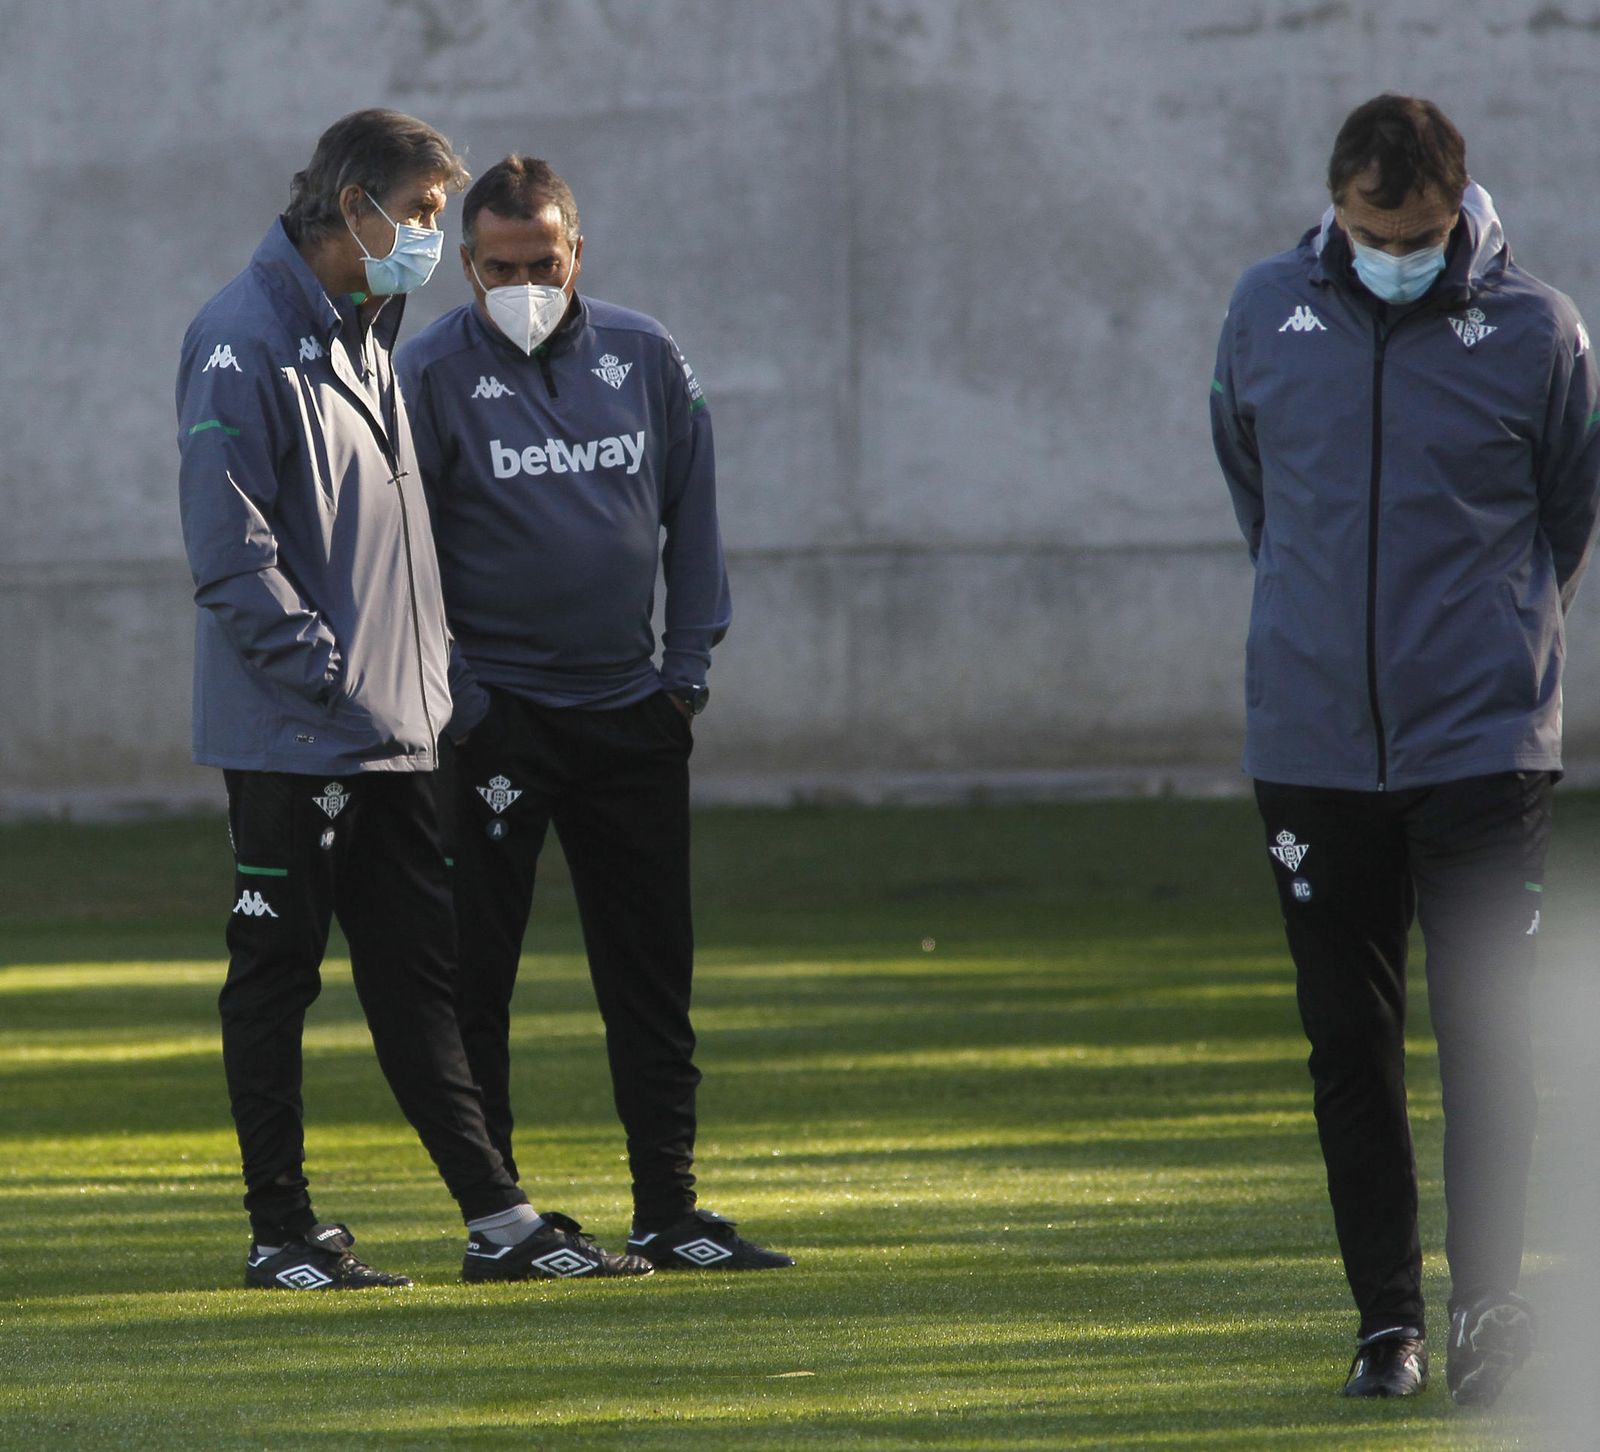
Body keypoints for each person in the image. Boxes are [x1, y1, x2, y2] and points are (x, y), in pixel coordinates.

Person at [176, 112, 651, 1289]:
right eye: (426, 216)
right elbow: (230, 552)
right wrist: (329, 674)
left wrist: (421, 686)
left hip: (396, 734)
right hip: (298, 738)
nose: (432, 240)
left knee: (418, 980)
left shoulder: (366, 335)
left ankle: (500, 1223)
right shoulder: (242, 340)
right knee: (277, 974)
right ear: (356, 210)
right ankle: (281, 1234)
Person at [1211, 93, 1600, 1404]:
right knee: (1346, 1041)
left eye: (1421, 231)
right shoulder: (1266, 310)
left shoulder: (1537, 329)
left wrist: (1492, 655)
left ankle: (1490, 1311)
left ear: (1460, 209)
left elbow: (1566, 514)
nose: (1397, 250)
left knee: (1490, 1035)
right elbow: (1255, 483)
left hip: (1483, 750)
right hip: (1313, 747)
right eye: (1376, 229)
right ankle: (1388, 1324)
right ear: (1337, 205)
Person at [396, 154, 791, 1271]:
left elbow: (694, 516)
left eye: (543, 261)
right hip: (499, 722)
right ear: (466, 267)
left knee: (652, 975)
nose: (524, 282)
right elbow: (405, 559)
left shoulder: (645, 353)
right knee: (481, 978)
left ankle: (668, 1209)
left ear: (578, 254)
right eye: (498, 267)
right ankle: (504, 1222)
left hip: (632, 711)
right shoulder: (425, 371)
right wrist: (464, 700)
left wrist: (685, 673)